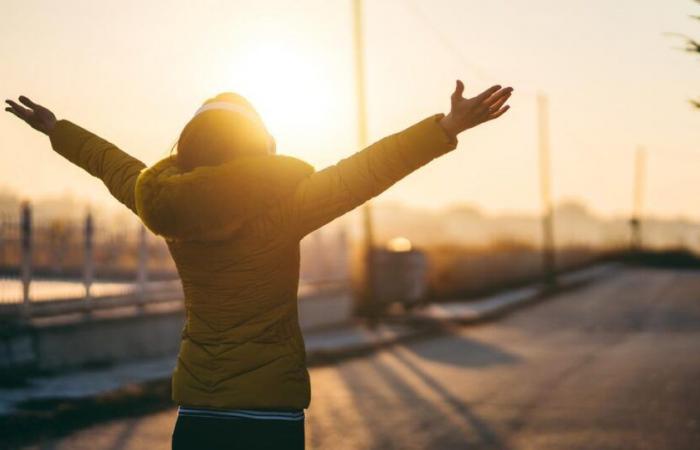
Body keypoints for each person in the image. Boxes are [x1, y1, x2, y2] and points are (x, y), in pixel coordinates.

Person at [5, 80, 512, 449]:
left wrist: (58, 131)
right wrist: (445, 127)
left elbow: (117, 168)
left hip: (199, 410)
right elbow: (369, 169)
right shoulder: (286, 206)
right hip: (269, 413)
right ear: (257, 145)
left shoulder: (166, 207)